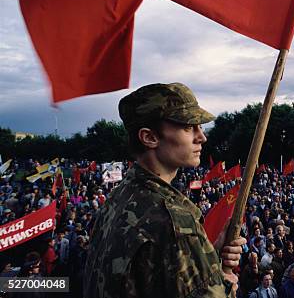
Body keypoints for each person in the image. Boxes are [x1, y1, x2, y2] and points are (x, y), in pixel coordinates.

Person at [83, 83, 246, 298]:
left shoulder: (119, 196)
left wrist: (209, 258)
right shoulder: (173, 220)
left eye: (199, 126)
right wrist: (224, 286)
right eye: (188, 127)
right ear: (149, 137)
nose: (201, 137)